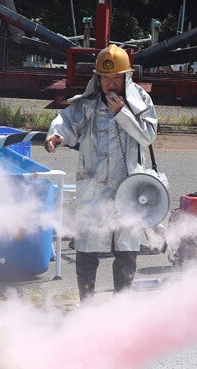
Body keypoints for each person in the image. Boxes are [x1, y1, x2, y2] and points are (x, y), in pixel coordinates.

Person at [45, 44, 158, 300]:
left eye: (115, 77)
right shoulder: (88, 104)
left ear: (126, 77)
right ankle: (86, 304)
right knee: (86, 247)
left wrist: (123, 113)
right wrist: (56, 134)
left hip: (128, 187)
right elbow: (66, 120)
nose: (110, 83)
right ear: (97, 78)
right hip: (93, 184)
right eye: (105, 77)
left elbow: (148, 134)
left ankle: (121, 307)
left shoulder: (141, 101)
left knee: (126, 247)